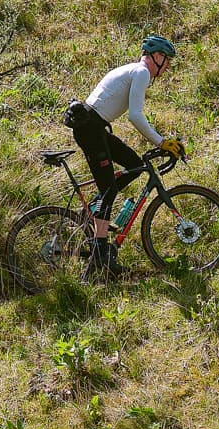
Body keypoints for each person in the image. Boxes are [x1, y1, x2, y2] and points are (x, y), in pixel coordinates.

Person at [64, 34, 186, 271]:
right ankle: (100, 253)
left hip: (95, 127)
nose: (167, 66)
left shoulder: (133, 70)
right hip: (91, 129)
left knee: (134, 164)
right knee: (109, 189)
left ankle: (96, 207)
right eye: (167, 59)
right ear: (156, 56)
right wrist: (162, 142)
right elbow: (135, 116)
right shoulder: (141, 72)